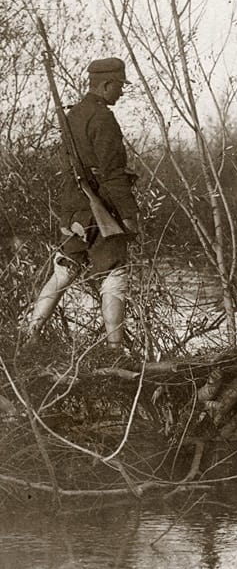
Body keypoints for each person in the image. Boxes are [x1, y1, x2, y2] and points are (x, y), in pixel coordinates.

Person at [25, 58, 140, 359]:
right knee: (116, 273)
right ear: (105, 85)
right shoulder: (103, 119)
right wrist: (128, 216)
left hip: (75, 210)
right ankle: (116, 351)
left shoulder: (73, 115)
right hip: (101, 208)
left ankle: (29, 336)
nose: (121, 92)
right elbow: (113, 173)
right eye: (119, 85)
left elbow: (69, 171)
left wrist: (67, 216)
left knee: (64, 270)